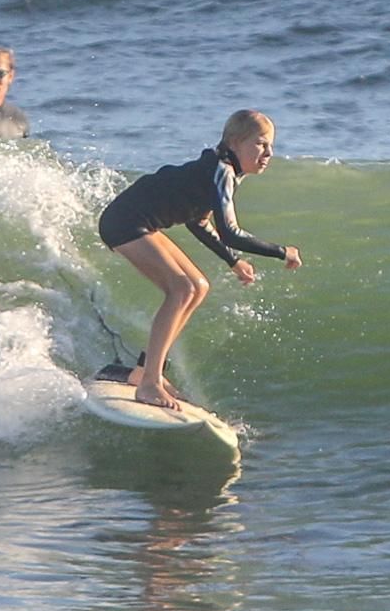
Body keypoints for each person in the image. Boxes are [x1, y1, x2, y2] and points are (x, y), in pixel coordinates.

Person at [98, 109, 302, 410]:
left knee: (197, 286)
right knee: (180, 289)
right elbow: (230, 232)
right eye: (261, 144)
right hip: (124, 221)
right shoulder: (221, 170)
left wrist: (233, 261)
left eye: (271, 145)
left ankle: (145, 371)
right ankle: (149, 384)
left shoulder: (222, 170)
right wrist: (282, 251)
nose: (269, 152)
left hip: (141, 222)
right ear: (235, 142)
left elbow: (198, 220)